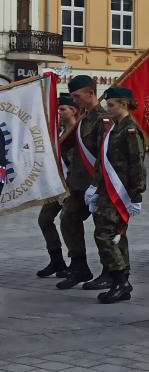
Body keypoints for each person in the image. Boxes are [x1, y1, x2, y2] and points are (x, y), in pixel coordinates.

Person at [86, 87, 146, 303]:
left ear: (124, 104)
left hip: (120, 192)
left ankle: (121, 280)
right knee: (116, 236)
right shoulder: (115, 128)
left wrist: (137, 195)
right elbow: (103, 162)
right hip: (107, 190)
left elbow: (137, 164)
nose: (108, 109)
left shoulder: (130, 130)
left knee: (106, 235)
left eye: (111, 105)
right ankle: (120, 280)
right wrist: (94, 187)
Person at [56, 75, 108, 290]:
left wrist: (97, 185)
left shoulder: (104, 120)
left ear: (90, 93)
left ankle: (112, 272)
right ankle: (79, 267)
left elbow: (105, 156)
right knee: (68, 220)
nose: (75, 101)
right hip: (77, 183)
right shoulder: (83, 119)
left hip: (97, 185)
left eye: (77, 96)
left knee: (104, 229)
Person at [36, 94, 79, 278]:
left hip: (73, 185)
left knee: (68, 222)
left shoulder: (79, 131)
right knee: (44, 219)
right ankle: (56, 260)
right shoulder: (60, 132)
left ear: (73, 110)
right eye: (58, 109)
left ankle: (77, 262)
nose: (59, 112)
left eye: (63, 109)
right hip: (57, 185)